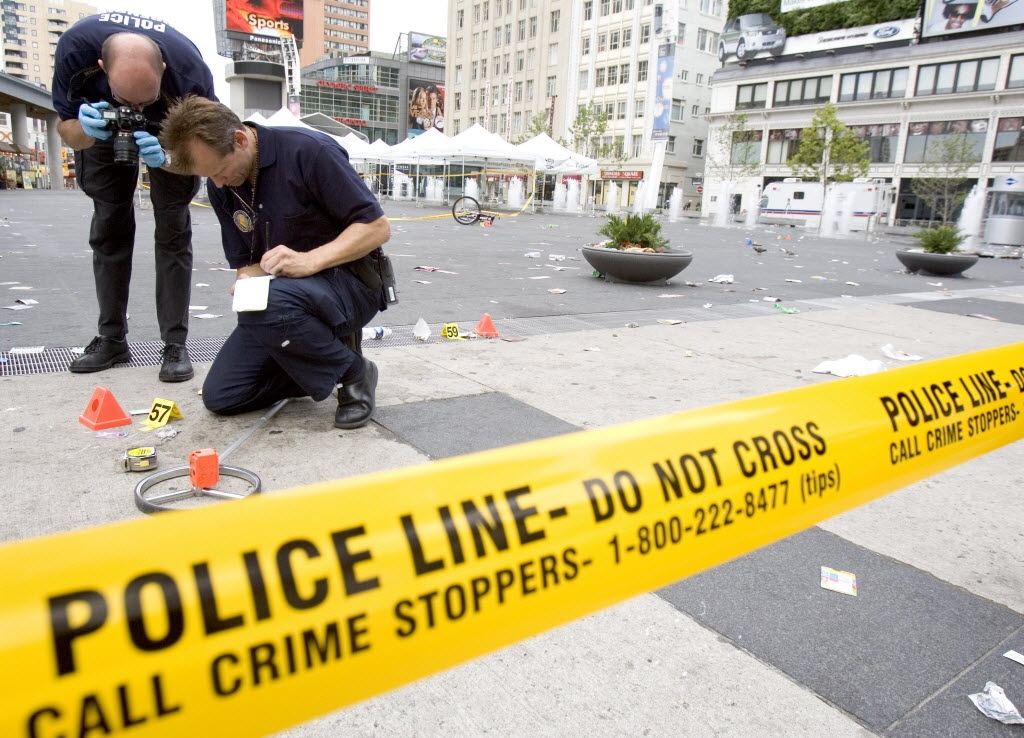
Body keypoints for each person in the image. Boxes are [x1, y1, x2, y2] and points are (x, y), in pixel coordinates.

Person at [160, 97, 392, 429]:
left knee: (269, 304)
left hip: (352, 283)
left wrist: (310, 260)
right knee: (223, 395)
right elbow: (247, 264)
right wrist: (245, 279)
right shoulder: (221, 187)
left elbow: (377, 228)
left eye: (220, 170)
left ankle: (353, 372)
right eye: (209, 177)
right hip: (286, 298)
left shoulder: (308, 151)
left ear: (240, 139)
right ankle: (314, 367)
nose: (219, 183)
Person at [51, 12, 216, 382]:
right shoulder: (74, 52)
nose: (137, 111)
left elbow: (205, 153)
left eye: (146, 100)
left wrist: (169, 157)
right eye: (128, 100)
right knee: (109, 227)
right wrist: (88, 130)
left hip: (171, 130)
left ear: (164, 68)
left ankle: (175, 343)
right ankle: (111, 338)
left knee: (174, 229)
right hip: (102, 129)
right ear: (101, 68)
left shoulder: (191, 74)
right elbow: (68, 130)